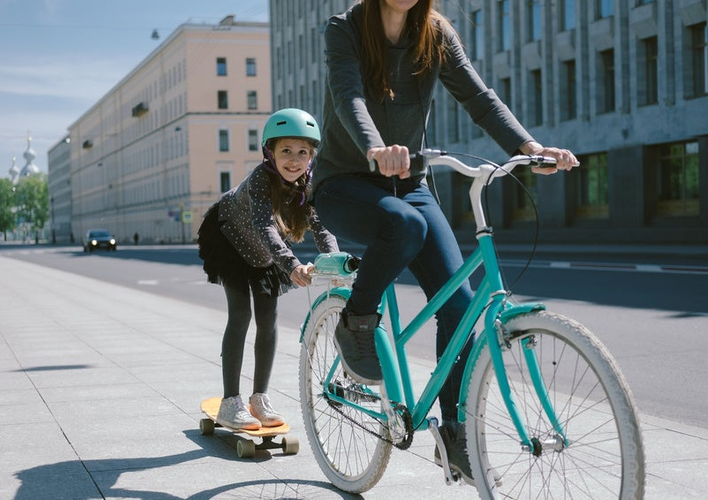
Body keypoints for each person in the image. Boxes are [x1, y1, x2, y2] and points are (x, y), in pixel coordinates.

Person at [310, 0, 578, 484]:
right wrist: (375, 148)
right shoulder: (345, 28)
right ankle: (356, 320)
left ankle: (454, 438)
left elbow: (479, 98)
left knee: (460, 305)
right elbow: (347, 96)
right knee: (404, 227)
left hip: (408, 182)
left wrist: (531, 148)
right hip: (345, 181)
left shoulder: (435, 33)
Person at [197, 108, 339, 431]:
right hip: (231, 239)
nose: (294, 159)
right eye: (285, 150)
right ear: (269, 152)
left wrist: (335, 260)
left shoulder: (309, 186)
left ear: (311, 157)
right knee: (241, 315)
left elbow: (321, 226)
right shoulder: (261, 180)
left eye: (302, 152)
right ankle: (230, 401)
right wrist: (290, 265)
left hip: (264, 253)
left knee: (268, 320)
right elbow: (265, 226)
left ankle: (258, 397)